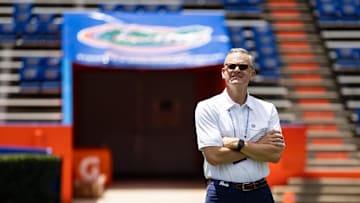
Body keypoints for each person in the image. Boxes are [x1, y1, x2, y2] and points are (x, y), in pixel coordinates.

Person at [194, 48, 285, 203]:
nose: (236, 70)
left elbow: (274, 155)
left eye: (243, 67)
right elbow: (214, 156)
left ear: (252, 73)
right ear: (223, 72)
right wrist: (258, 146)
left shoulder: (267, 109)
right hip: (222, 193)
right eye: (231, 66)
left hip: (260, 192)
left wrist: (237, 144)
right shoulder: (207, 107)